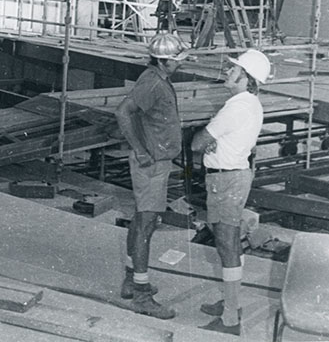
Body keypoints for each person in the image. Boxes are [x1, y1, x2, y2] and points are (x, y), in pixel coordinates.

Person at [191, 48, 271, 336]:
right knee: (227, 238)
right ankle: (230, 301)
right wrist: (214, 140)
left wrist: (207, 138)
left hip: (227, 181)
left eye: (233, 69)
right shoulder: (248, 103)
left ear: (245, 77)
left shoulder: (237, 106)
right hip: (229, 178)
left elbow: (198, 143)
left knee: (226, 244)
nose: (227, 72)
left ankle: (230, 319)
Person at [115, 32, 190, 320]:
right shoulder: (153, 83)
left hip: (157, 161)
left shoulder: (159, 80)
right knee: (147, 224)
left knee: (141, 220)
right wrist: (140, 150)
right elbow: (123, 112)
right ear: (162, 60)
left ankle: (131, 280)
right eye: (175, 60)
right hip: (152, 165)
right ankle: (142, 296)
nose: (178, 65)